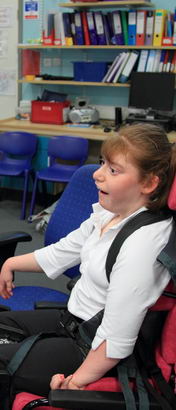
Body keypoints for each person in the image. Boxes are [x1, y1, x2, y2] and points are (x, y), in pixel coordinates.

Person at [0, 122, 175, 400]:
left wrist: (78, 381)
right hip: (72, 321)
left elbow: (116, 337)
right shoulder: (111, 214)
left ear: (149, 183)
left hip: (92, 348)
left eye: (113, 170)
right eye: (102, 163)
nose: (97, 174)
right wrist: (11, 264)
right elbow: (64, 250)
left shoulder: (144, 244)